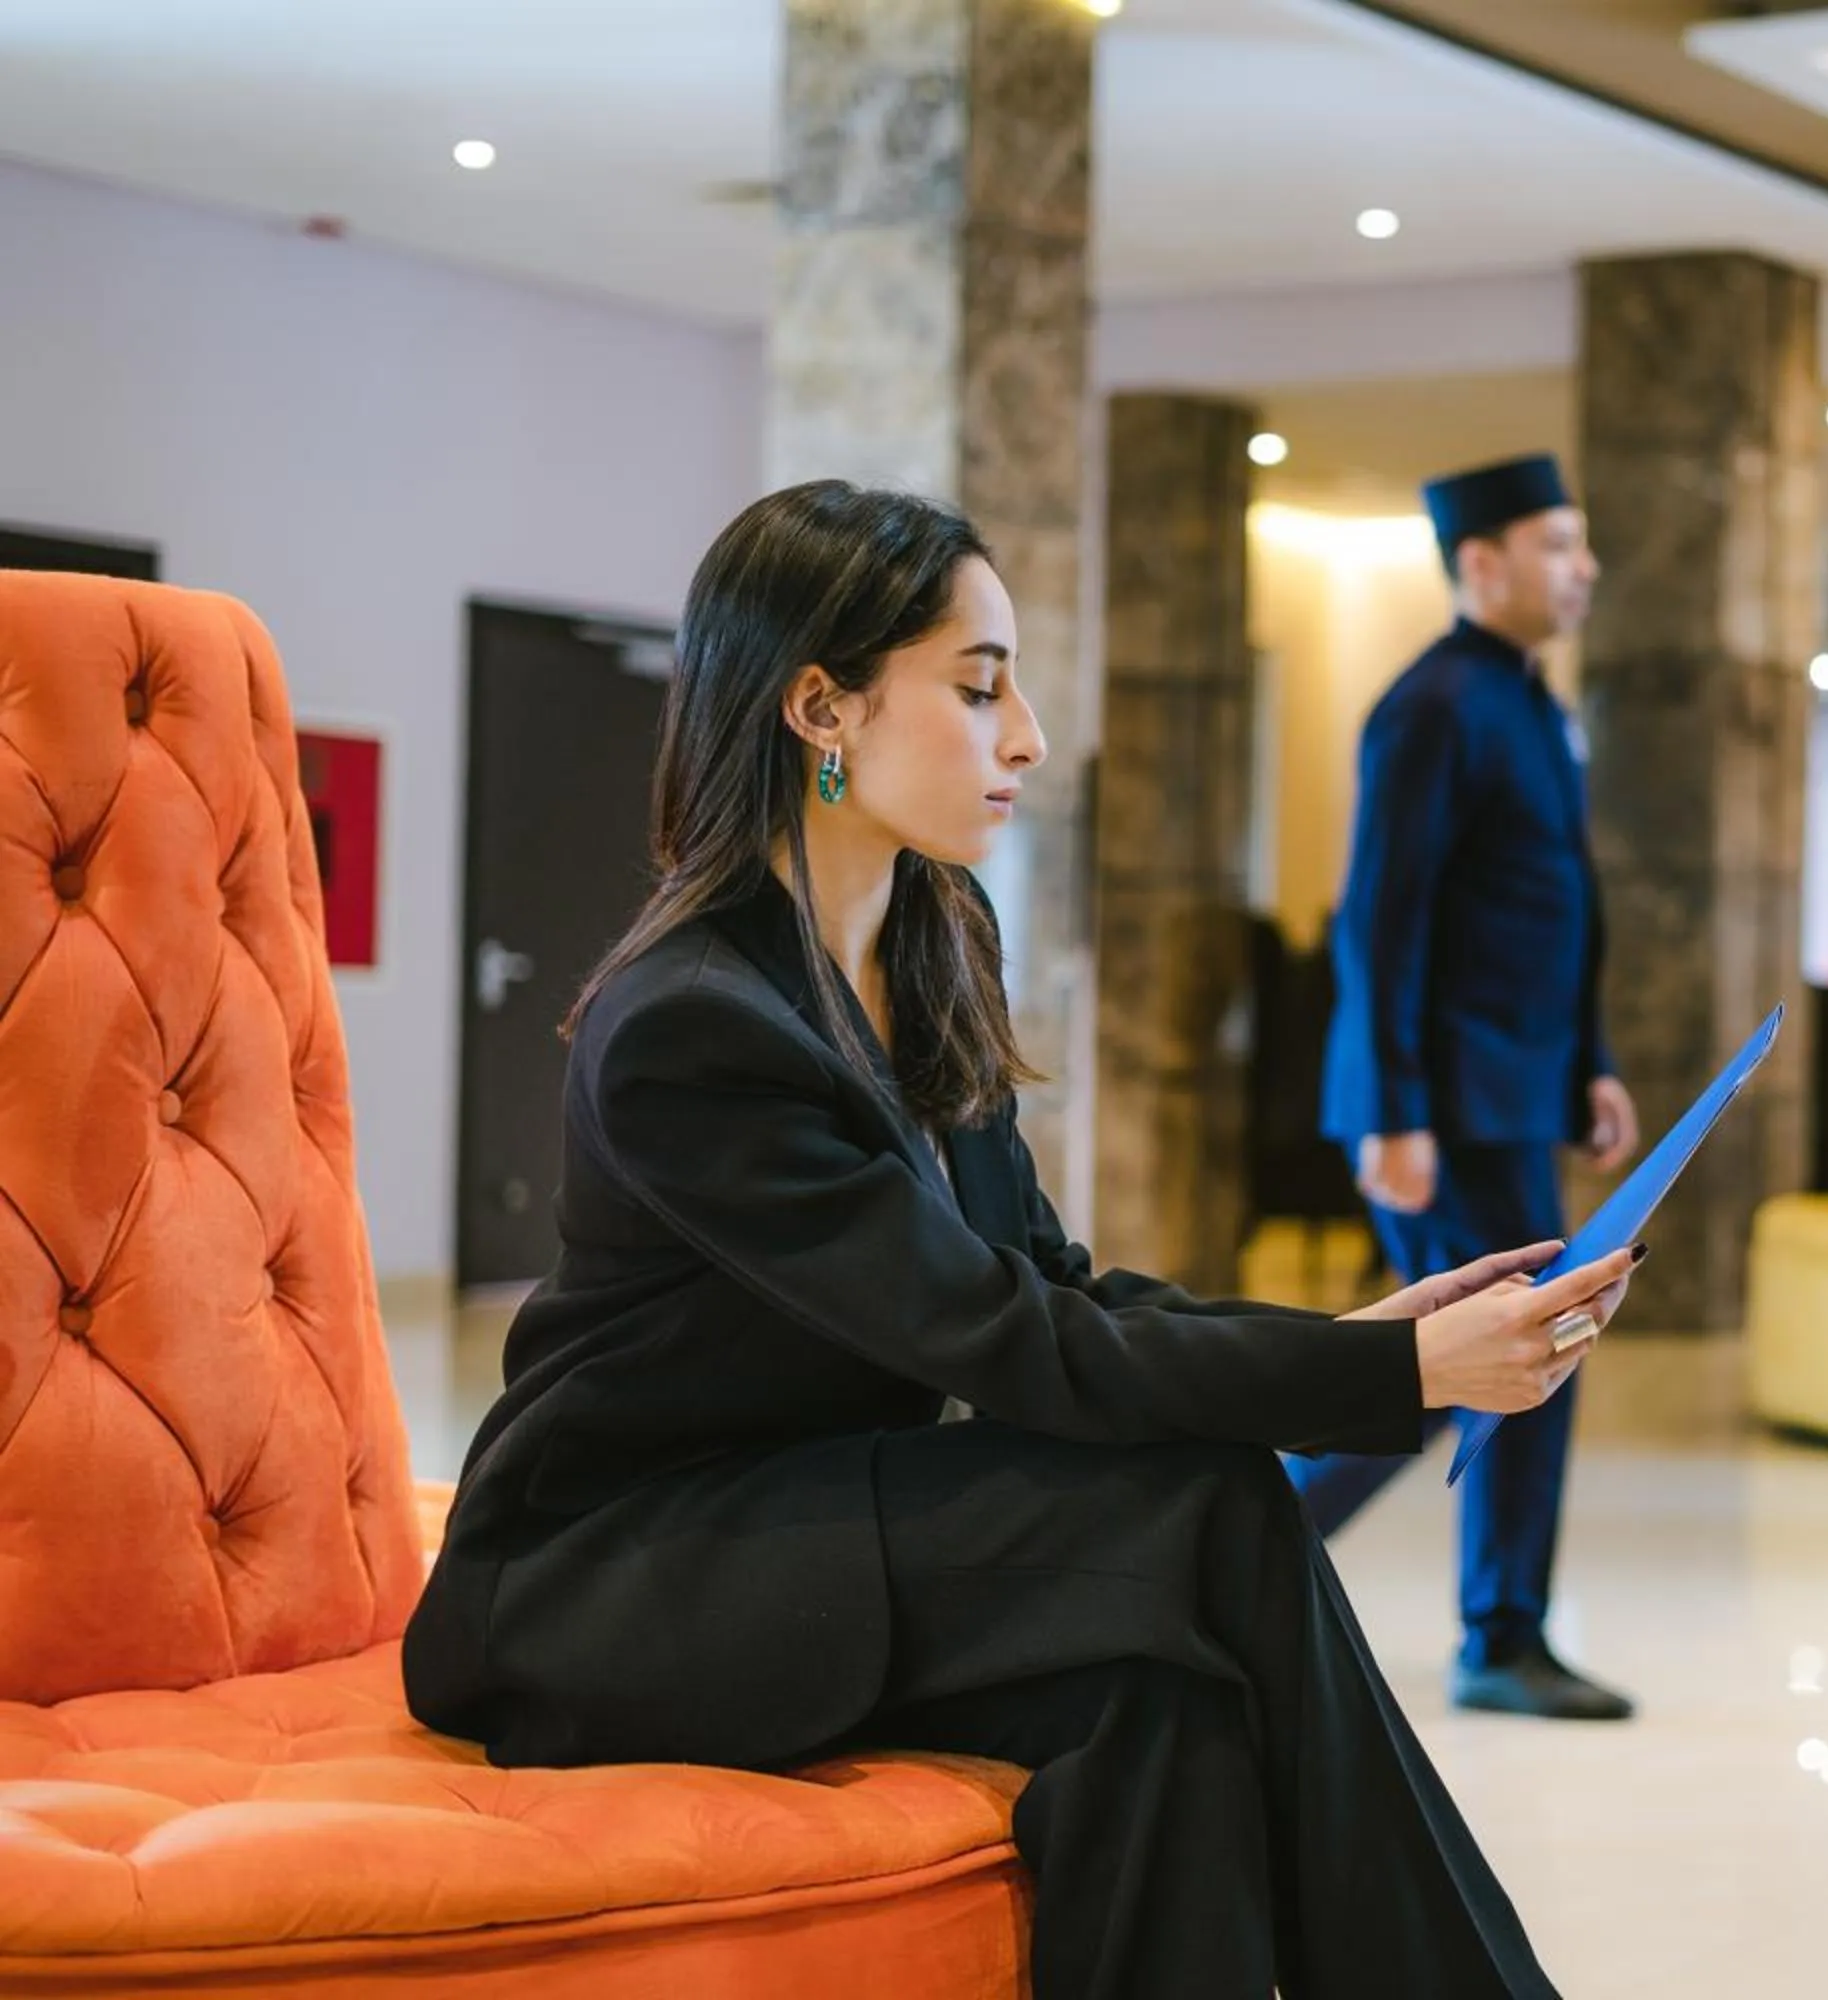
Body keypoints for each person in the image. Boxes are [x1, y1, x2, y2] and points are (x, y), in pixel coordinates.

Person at [400, 481, 1640, 2000]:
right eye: (980, 688)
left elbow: (1050, 1280)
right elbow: (999, 1337)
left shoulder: (936, 938)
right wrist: (1394, 1380)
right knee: (1211, 1504)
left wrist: (1358, 1339)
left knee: (1156, 1706)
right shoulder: (692, 1026)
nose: (1030, 738)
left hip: (817, 1517)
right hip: (613, 1582)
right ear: (821, 708)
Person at [1297, 453, 1641, 1724]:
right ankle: (1477, 1624)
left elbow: (1554, 906)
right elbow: (1382, 918)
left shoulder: (1533, 702)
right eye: (1558, 542)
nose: (1583, 566)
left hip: (1511, 1092)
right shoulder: (1433, 703)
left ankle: (1497, 1628)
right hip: (1440, 1103)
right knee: (1475, 1359)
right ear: (1481, 562)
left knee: (1511, 1357)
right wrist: (1393, 1107)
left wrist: (1588, 1059)